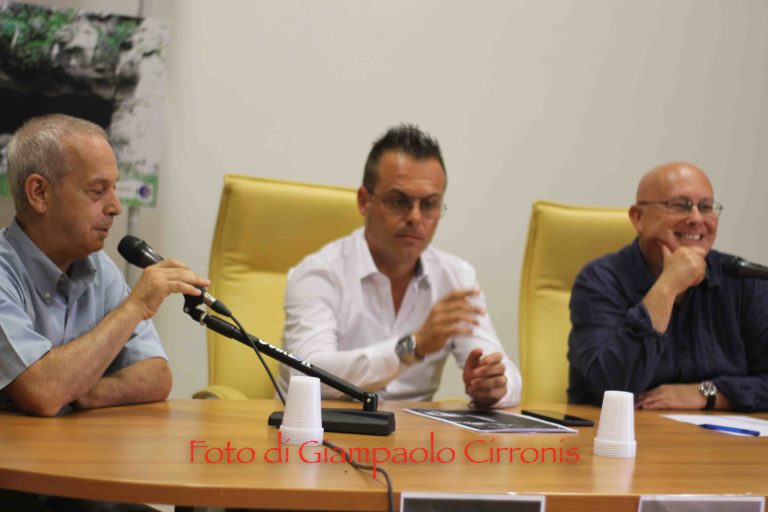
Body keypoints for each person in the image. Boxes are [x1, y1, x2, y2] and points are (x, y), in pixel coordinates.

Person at [0, 114, 210, 509]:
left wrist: (80, 392)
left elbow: (155, 376)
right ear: (39, 193)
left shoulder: (98, 268)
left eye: (114, 189)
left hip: (75, 482)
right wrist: (135, 306)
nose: (115, 207)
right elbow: (43, 392)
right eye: (98, 191)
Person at [279, 124, 521, 408]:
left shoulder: (456, 278)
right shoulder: (319, 273)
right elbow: (307, 375)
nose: (415, 217)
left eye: (429, 204)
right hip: (325, 426)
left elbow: (508, 375)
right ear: (364, 202)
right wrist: (412, 347)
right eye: (399, 201)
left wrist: (493, 385)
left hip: (412, 431)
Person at [568, 162, 768, 411]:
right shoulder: (599, 280)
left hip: (719, 435)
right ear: (638, 218)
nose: (696, 218)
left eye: (706, 207)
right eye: (680, 206)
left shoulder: (742, 281)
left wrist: (708, 393)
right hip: (624, 432)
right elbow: (612, 386)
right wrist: (668, 286)